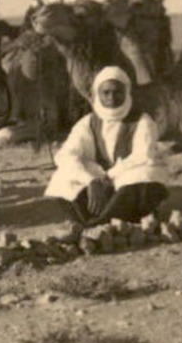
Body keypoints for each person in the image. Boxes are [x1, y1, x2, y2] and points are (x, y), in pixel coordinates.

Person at [44, 66, 170, 225]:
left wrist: (108, 178)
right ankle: (103, 218)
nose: (112, 97)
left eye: (117, 92)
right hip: (99, 182)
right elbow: (66, 155)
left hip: (124, 179)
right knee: (62, 178)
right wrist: (91, 181)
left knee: (146, 174)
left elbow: (143, 156)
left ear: (127, 92)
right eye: (106, 92)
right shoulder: (88, 122)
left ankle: (101, 222)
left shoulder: (143, 121)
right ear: (97, 94)